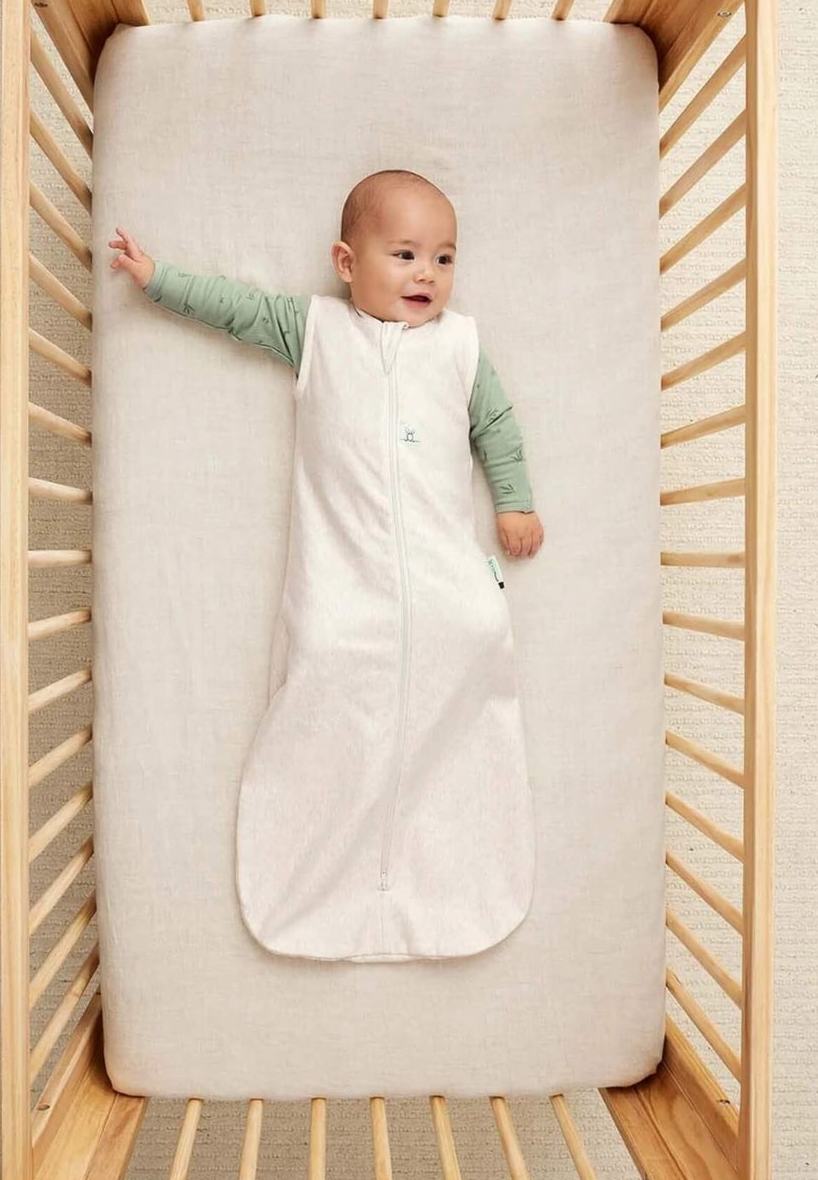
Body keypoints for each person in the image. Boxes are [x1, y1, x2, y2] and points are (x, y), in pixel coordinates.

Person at [107, 168, 539, 962]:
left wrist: (513, 502)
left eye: (443, 258)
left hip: (446, 583)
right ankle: (329, 862)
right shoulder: (315, 330)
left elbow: (497, 427)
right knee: (327, 663)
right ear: (346, 262)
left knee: (472, 651)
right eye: (404, 254)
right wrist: (156, 277)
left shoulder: (460, 346)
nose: (426, 273)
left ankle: (441, 863)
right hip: (343, 582)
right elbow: (235, 309)